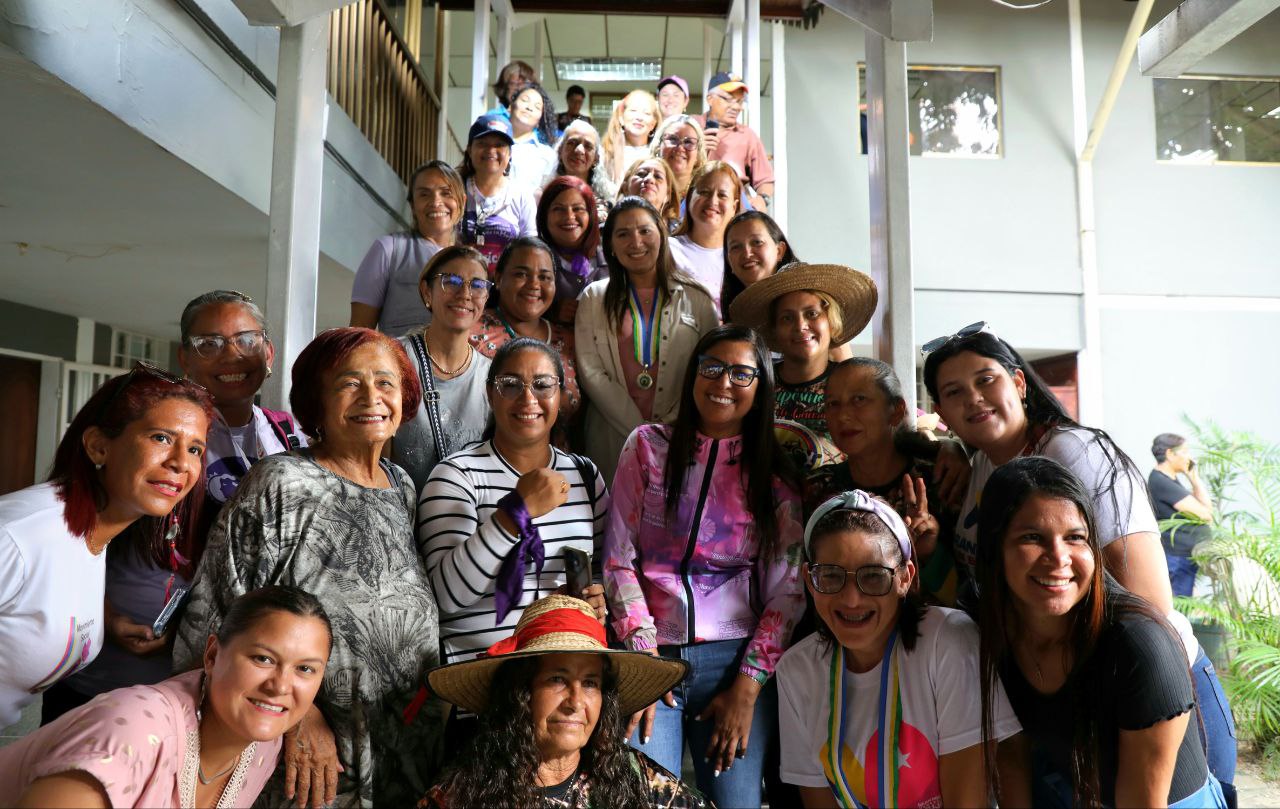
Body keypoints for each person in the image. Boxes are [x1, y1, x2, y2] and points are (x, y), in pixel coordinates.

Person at [922, 322, 1238, 803]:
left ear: (1019, 383)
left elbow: (1148, 605)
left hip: (1153, 686)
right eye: (954, 391)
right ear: (940, 412)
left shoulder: (1074, 451)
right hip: (1059, 697)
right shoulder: (985, 462)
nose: (975, 399)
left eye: (987, 380)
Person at [175, 327, 443, 808]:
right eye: (348, 383)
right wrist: (295, 718)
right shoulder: (283, 482)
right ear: (316, 401)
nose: (372, 397)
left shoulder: (402, 486)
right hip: (305, 756)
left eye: (386, 383)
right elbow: (216, 620)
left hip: (404, 749)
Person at [42, 291, 305, 721]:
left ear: (269, 352)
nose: (231, 356)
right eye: (209, 344)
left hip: (212, 680)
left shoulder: (289, 435)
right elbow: (77, 529)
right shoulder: (158, 425)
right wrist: (101, 613)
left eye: (246, 340)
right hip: (112, 673)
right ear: (185, 357)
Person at [604, 325, 804, 809]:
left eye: (742, 373)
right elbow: (617, 560)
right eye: (711, 367)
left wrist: (748, 688)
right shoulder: (647, 447)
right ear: (693, 374)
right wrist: (643, 660)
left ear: (761, 387)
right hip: (652, 652)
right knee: (647, 801)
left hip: (737, 663)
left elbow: (788, 591)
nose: (723, 382)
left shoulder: (774, 475)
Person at [975, 457, 1228, 808]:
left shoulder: (1139, 646)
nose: (1058, 557)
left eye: (1075, 538)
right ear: (994, 547)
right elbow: (1011, 755)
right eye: (1032, 537)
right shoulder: (987, 625)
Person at [0, 363, 211, 731]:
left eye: (195, 448)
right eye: (161, 438)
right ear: (99, 446)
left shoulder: (95, 538)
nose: (180, 462)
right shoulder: (19, 535)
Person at [778, 490, 1020, 808]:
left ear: (905, 578)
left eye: (874, 577)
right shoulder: (797, 670)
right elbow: (818, 799)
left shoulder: (947, 641)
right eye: (831, 576)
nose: (851, 599)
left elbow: (967, 799)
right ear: (810, 581)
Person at [1, 586, 332, 808]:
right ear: (213, 655)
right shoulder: (132, 731)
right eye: (263, 659)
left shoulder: (262, 745)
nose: (281, 685)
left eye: (305, 669)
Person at [419, 338, 609, 672]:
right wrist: (515, 513)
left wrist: (594, 600)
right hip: (479, 681)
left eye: (542, 385)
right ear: (490, 394)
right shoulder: (456, 475)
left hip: (562, 674)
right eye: (510, 385)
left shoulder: (584, 475)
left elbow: (602, 574)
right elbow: (445, 598)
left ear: (561, 397)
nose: (528, 398)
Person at [421, 594, 706, 808]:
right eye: (557, 679)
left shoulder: (634, 778)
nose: (576, 701)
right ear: (521, 692)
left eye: (591, 683)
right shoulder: (459, 796)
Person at [574, 197, 719, 484]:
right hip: (611, 438)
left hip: (680, 437)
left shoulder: (697, 299)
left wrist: (667, 428)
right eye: (623, 234)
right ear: (611, 247)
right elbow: (591, 371)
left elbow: (709, 369)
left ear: (661, 235)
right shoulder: (594, 297)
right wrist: (640, 429)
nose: (635, 241)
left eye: (644, 231)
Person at [805, 359, 966, 607]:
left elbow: (968, 595)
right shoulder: (819, 488)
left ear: (896, 411)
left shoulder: (941, 480)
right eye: (833, 404)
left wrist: (931, 554)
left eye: (859, 400)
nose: (843, 415)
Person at [728, 261, 877, 471]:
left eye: (812, 314)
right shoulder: (755, 383)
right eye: (787, 318)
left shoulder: (858, 385)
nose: (800, 326)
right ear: (775, 331)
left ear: (831, 321)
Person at [397, 246, 495, 492]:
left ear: (486, 298)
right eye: (451, 281)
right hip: (400, 512)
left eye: (477, 285)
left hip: (460, 520)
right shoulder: (394, 358)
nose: (464, 293)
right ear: (426, 290)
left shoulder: (491, 375)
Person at [469, 239, 582, 449]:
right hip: (481, 470)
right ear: (499, 279)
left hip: (557, 470)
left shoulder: (569, 340)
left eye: (545, 277)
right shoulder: (471, 331)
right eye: (521, 274)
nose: (534, 285)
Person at [351, 161, 465, 336]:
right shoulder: (388, 250)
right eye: (424, 194)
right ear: (412, 205)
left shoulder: (470, 262)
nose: (436, 202)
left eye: (446, 193)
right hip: (400, 362)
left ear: (462, 201)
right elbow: (358, 333)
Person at [458, 114, 538, 273]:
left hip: (505, 289)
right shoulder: (456, 189)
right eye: (482, 144)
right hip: (461, 284)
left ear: (509, 154)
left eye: (499, 145)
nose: (491, 151)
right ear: (469, 149)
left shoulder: (522, 195)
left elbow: (529, 250)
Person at [696, 71, 774, 212]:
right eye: (728, 99)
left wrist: (762, 198)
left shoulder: (747, 136)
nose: (736, 107)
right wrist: (698, 150)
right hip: (695, 203)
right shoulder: (692, 126)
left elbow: (765, 179)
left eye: (739, 101)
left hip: (734, 209)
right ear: (710, 99)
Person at [537, 176, 609, 327]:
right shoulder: (533, 257)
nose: (569, 216)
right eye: (558, 209)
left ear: (591, 214)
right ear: (544, 216)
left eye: (578, 209)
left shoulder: (610, 254)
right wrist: (549, 311)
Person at [669, 161, 742, 307]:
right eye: (704, 192)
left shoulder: (740, 257)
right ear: (689, 198)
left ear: (734, 207)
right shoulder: (667, 249)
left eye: (722, 195)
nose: (713, 201)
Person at [1149, 433, 1214, 597]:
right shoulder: (1161, 481)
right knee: (1179, 610)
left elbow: (1207, 509)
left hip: (1182, 559)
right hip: (1177, 559)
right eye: (1184, 452)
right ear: (1170, 454)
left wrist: (1194, 478)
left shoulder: (1169, 480)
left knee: (1182, 608)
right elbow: (1204, 514)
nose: (1189, 457)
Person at [721, 210, 798, 314]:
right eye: (736, 247)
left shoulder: (805, 300)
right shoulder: (733, 317)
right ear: (728, 261)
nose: (747, 254)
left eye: (757, 242)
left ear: (779, 251)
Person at [546, 120, 618, 214]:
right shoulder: (544, 194)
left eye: (588, 146)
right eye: (572, 143)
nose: (579, 150)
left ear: (596, 158)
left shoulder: (608, 198)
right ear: (560, 150)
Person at [508, 83, 560, 193]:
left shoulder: (548, 156)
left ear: (539, 121)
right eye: (524, 100)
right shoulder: (490, 143)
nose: (529, 107)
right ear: (511, 107)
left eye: (537, 107)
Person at [603, 90, 660, 186]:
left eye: (646, 113)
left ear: (653, 124)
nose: (639, 117)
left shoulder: (658, 156)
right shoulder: (605, 153)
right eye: (633, 111)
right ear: (621, 118)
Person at [649, 114, 706, 203]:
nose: (680, 147)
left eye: (688, 142)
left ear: (698, 156)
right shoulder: (645, 186)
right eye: (672, 139)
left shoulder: (703, 197)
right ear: (658, 147)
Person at [620, 157, 680, 234]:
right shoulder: (607, 229)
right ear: (625, 188)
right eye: (641, 174)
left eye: (658, 176)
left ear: (668, 194)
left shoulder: (679, 234)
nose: (649, 179)